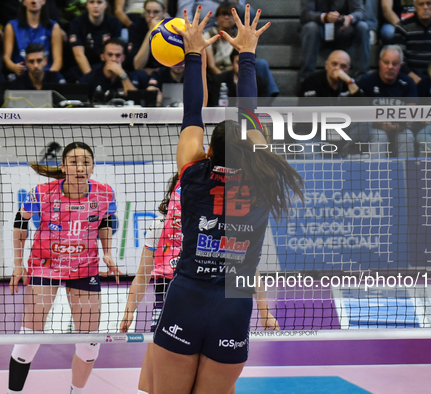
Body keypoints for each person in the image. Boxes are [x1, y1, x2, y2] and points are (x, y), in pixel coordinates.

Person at [151, 6, 303, 393]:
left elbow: (191, 110)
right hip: (233, 305)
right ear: (253, 152)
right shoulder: (264, 180)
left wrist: (194, 53)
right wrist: (247, 55)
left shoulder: (193, 173)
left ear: (208, 150)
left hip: (187, 294)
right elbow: (249, 112)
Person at [120, 173, 280, 394]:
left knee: (220, 379)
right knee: (152, 381)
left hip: (215, 304)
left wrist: (265, 311)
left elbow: (249, 270)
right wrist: (130, 307)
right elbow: (143, 273)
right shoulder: (160, 226)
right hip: (170, 304)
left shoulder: (221, 225)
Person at [8, 141, 121, 394]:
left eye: (86, 162)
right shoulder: (42, 192)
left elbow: (105, 220)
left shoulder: (104, 193)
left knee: (89, 344)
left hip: (85, 267)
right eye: (74, 162)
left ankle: (75, 392)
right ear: (63, 166)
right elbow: (20, 221)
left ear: (92, 167)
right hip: (44, 266)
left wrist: (108, 252)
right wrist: (18, 265)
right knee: (29, 338)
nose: (80, 167)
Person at [204, 1, 278, 97]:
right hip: (218, 73)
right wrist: (226, 77)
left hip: (237, 69)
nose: (226, 17)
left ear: (236, 19)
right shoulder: (209, 35)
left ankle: (269, 96)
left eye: (230, 15)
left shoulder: (241, 34)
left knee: (261, 64)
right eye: (223, 14)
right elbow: (211, 65)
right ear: (217, 18)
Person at [357, 45, 418, 158]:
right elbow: (363, 115)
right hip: (375, 128)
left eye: (395, 64)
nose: (390, 67)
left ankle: (406, 173)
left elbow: (411, 115)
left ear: (400, 66)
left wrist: (395, 127)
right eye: (386, 62)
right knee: (380, 135)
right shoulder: (366, 81)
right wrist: (382, 125)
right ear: (380, 63)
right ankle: (377, 173)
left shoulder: (408, 82)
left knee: (407, 136)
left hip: (400, 128)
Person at [299, 0, 370, 81]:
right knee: (311, 27)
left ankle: (361, 80)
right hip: (318, 32)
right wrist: (324, 17)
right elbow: (306, 13)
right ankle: (307, 80)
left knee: (362, 27)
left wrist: (349, 18)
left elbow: (360, 11)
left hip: (342, 31)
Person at [393, 0, 431, 84]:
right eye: (421, 4)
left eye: (429, 4)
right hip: (410, 78)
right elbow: (399, 59)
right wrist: (414, 78)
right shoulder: (403, 26)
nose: (425, 7)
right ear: (415, 6)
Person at [3, 0, 63, 77]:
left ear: (43, 1)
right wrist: (14, 67)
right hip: (21, 75)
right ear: (23, 2)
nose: (34, 0)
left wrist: (48, 77)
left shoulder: (54, 27)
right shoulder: (11, 26)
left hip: (46, 74)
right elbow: (6, 57)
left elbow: (58, 60)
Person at [79, 37, 148, 102]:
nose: (113, 59)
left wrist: (122, 75)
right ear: (102, 57)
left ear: (123, 58)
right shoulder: (90, 78)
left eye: (117, 55)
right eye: (110, 55)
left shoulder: (129, 77)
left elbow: (135, 102)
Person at [68, 0, 123, 79]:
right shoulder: (77, 23)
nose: (95, 6)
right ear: (87, 5)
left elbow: (115, 53)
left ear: (106, 5)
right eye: (91, 2)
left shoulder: (114, 22)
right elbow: (79, 55)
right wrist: (91, 78)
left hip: (106, 66)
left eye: (99, 2)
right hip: (84, 67)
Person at [127, 0, 166, 74]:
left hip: (164, 72)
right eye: (148, 12)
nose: (151, 16)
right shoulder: (135, 28)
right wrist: (151, 32)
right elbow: (137, 65)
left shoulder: (171, 28)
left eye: (156, 12)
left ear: (164, 12)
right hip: (142, 73)